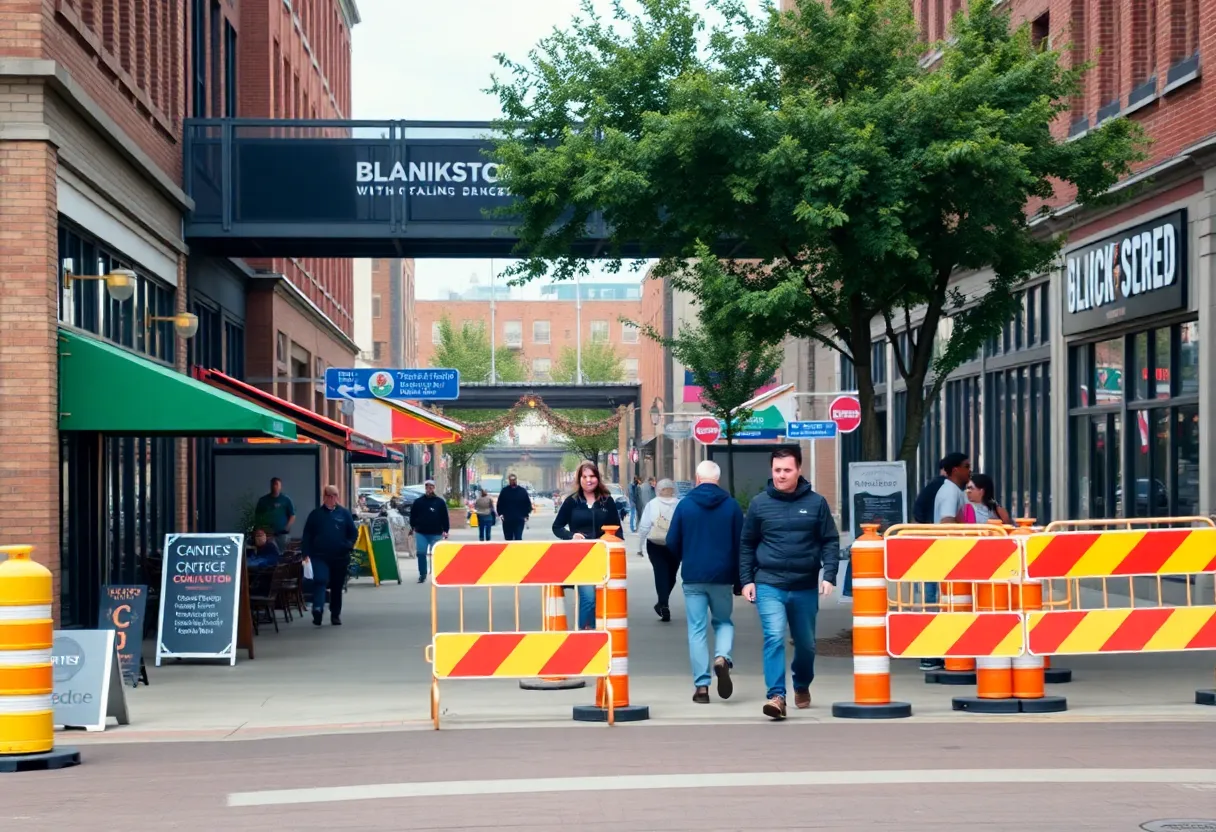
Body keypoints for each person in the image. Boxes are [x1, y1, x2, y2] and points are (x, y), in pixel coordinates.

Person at [740, 447, 840, 721]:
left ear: (799, 470)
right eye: (777, 470)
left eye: (787, 470)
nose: (781, 475)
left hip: (804, 584)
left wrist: (829, 575)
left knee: (806, 644)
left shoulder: (816, 503)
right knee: (773, 637)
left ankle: (802, 683)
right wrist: (746, 580)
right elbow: (747, 544)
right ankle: (776, 696)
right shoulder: (760, 504)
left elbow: (830, 540)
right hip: (769, 583)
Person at [666, 460, 742, 704]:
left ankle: (701, 688)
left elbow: (671, 541)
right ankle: (722, 657)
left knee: (697, 630)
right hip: (722, 576)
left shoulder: (685, 505)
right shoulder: (731, 506)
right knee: (724, 622)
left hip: (694, 575)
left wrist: (685, 556)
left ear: (697, 478)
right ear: (717, 479)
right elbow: (742, 544)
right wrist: (741, 579)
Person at [552, 460, 622, 630]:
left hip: (603, 556)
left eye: (592, 476)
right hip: (580, 558)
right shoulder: (571, 502)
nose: (588, 480)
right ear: (579, 479)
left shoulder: (607, 501)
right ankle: (585, 634)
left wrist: (614, 546)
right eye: (584, 477)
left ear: (598, 478)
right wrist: (571, 536)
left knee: (601, 599)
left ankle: (593, 633)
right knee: (589, 597)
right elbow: (557, 527)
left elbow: (618, 530)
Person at [300, 484, 358, 626]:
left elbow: (353, 533)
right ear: (324, 497)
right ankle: (318, 609)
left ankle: (335, 614)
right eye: (330, 496)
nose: (333, 499)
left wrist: (348, 545)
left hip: (340, 556)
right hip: (319, 555)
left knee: (337, 586)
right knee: (320, 580)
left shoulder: (344, 514)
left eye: (335, 496)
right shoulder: (316, 515)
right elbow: (307, 535)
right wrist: (305, 554)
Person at [637, 479, 681, 622]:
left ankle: (663, 603)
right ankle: (663, 603)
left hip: (655, 543)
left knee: (660, 573)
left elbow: (644, 526)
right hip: (675, 544)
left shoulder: (652, 504)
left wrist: (640, 545)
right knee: (672, 575)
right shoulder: (680, 504)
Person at [408, 479, 449, 583]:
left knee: (436, 554)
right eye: (427, 487)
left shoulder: (440, 502)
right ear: (425, 488)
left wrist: (446, 529)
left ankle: (438, 574)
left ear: (434, 488)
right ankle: (422, 574)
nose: (429, 489)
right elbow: (413, 515)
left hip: (436, 533)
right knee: (421, 553)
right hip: (421, 532)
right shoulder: (418, 502)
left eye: (431, 487)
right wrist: (412, 526)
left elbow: (445, 517)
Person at [255, 477, 296, 553]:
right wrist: (259, 530)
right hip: (267, 535)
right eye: (273, 484)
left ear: (280, 486)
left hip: (282, 535)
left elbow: (292, 515)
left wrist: (286, 527)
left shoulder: (286, 500)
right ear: (270, 486)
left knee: (281, 555)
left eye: (277, 484)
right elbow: (257, 517)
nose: (275, 486)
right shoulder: (263, 500)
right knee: (269, 554)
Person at [497, 473, 532, 541]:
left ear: (516, 480)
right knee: (508, 538)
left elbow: (527, 503)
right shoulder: (504, 491)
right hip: (507, 519)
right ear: (509, 481)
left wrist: (526, 514)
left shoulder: (522, 491)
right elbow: (500, 503)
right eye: (511, 480)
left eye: (514, 480)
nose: (513, 481)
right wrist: (500, 514)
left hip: (519, 519)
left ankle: (517, 551)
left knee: (518, 537)